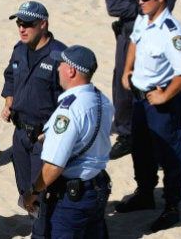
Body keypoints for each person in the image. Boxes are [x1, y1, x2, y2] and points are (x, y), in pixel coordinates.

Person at [114, 0, 181, 232]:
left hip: (161, 102)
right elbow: (134, 42)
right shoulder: (143, 19)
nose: (141, 1)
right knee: (141, 149)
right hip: (139, 97)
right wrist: (127, 70)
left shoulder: (172, 32)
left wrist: (165, 96)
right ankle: (145, 193)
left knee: (170, 153)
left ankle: (171, 205)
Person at [22, 45, 114, 238]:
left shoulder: (69, 110)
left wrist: (33, 191)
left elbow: (54, 165)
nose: (57, 69)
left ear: (71, 70)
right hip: (97, 185)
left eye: (61, 64)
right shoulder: (101, 99)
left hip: (73, 196)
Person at [105, 0, 180, 159]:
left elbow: (162, 10)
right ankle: (126, 133)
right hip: (127, 35)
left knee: (151, 82)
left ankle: (155, 138)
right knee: (123, 82)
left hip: (154, 39)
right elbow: (112, 5)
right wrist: (138, 9)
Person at [1, 1, 67, 238]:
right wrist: (9, 102)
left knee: (41, 194)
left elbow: (68, 101)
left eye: (27, 24)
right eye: (19, 23)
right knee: (25, 192)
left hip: (44, 139)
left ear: (43, 24)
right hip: (20, 135)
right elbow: (10, 77)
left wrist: (53, 132)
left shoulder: (60, 56)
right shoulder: (19, 49)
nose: (21, 28)